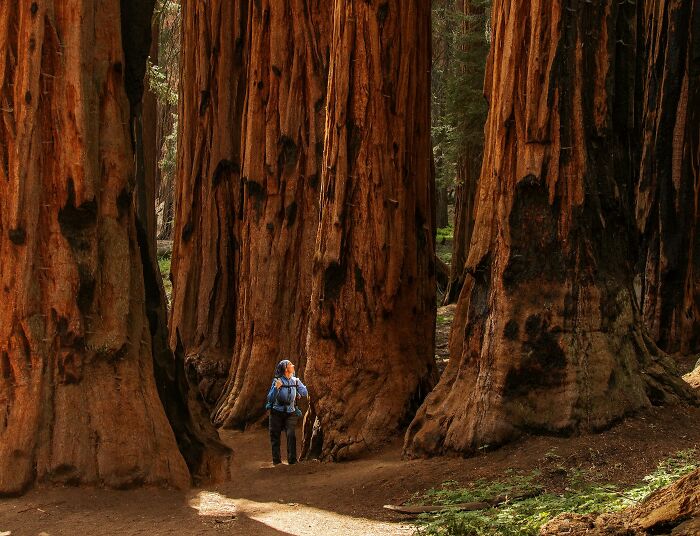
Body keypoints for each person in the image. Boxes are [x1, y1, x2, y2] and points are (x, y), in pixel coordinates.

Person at [266, 360, 308, 465]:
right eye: (290, 365)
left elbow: (305, 392)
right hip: (276, 412)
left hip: (290, 412)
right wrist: (276, 388)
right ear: (285, 369)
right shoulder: (277, 380)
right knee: (275, 436)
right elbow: (270, 398)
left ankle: (292, 460)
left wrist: (300, 389)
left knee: (291, 435)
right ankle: (277, 461)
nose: (292, 366)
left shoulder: (295, 381)